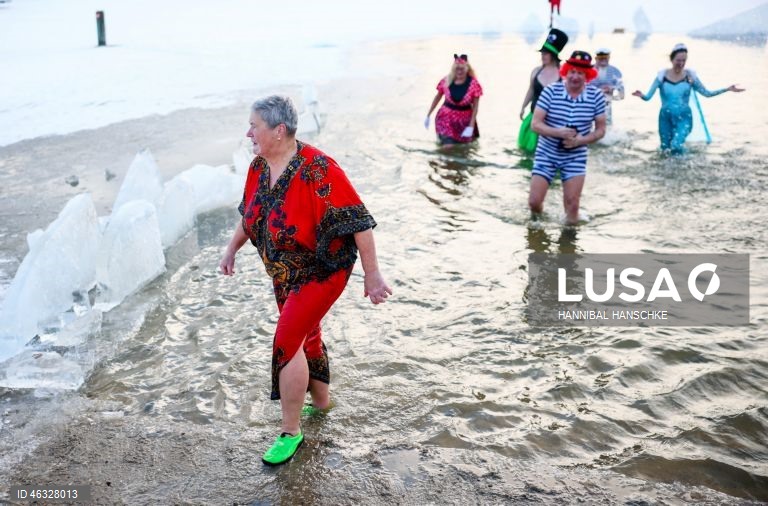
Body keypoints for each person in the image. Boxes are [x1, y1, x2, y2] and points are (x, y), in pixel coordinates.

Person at [220, 95, 392, 466]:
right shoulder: (259, 167)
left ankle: (290, 432)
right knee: (307, 335)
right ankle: (323, 404)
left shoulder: (319, 169)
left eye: (254, 125)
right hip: (284, 274)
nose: (248, 132)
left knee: (287, 340)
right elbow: (250, 216)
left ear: (278, 130)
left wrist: (372, 274)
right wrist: (231, 249)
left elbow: (359, 222)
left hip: (322, 270)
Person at [530, 50, 607, 225]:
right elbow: (535, 124)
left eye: (580, 73)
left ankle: (568, 246)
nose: (575, 76)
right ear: (566, 71)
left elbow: (601, 130)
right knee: (534, 202)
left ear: (587, 75)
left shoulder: (596, 97)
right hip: (546, 153)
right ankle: (538, 225)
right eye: (572, 71)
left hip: (575, 156)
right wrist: (558, 132)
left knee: (572, 207)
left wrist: (580, 140)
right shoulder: (551, 91)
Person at [632, 43, 745, 154]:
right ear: (672, 59)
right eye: (678, 60)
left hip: (684, 118)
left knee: (676, 145)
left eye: (684, 60)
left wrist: (727, 89)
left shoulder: (690, 77)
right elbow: (648, 97)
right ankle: (670, 171)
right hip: (665, 118)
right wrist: (641, 95)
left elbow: (706, 93)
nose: (681, 63)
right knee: (664, 149)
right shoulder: (662, 77)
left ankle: (686, 165)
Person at [518, 28, 569, 153]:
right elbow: (531, 90)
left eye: (546, 53)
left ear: (553, 55)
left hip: (554, 120)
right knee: (527, 152)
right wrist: (523, 107)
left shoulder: (564, 74)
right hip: (534, 117)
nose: (542, 56)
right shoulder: (536, 71)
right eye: (542, 53)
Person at [424, 54, 483, 145]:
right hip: (445, 118)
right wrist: (428, 115)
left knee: (464, 150)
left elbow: (475, 107)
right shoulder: (446, 81)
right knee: (448, 145)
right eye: (457, 69)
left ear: (467, 69)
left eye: (462, 69)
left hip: (464, 121)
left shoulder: (474, 84)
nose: (459, 71)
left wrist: (471, 126)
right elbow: (437, 97)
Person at [591, 48, 624, 125]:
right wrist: (599, 90)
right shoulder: (589, 70)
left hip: (607, 102)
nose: (603, 60)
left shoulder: (615, 71)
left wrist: (612, 88)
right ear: (596, 58)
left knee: (607, 124)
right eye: (600, 58)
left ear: (609, 58)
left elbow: (621, 88)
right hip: (590, 102)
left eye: (605, 58)